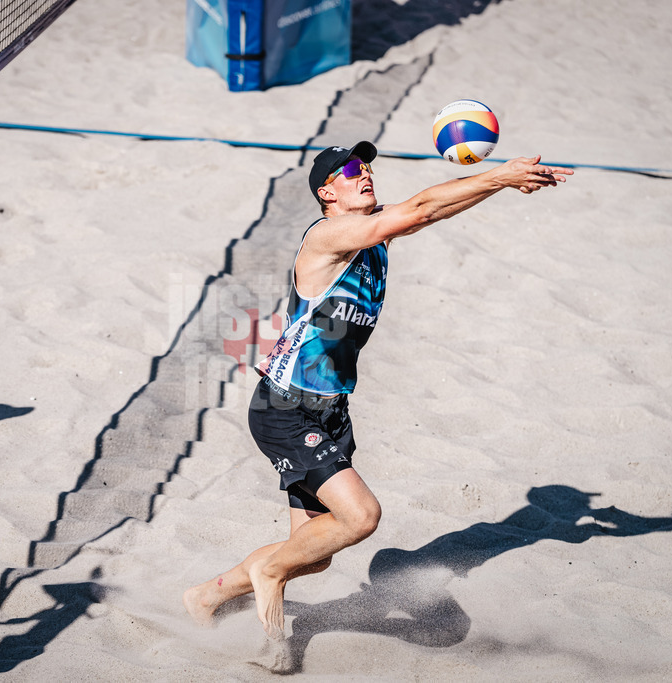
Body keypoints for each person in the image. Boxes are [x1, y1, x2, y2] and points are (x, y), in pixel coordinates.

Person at [183, 141, 573, 640]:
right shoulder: (330, 235)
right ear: (327, 191)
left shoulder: (373, 235)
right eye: (350, 169)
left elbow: (435, 209)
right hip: (286, 407)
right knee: (362, 516)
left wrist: (500, 186)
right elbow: (418, 209)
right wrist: (498, 175)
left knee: (313, 555)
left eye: (366, 166)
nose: (364, 172)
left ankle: (208, 594)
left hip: (330, 410)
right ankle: (268, 573)